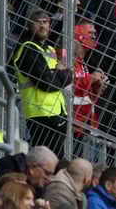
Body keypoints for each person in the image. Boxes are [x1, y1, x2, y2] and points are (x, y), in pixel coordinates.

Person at [12, 11, 71, 158]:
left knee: (54, 160)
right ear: (29, 26)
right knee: (47, 161)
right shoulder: (28, 48)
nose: (42, 26)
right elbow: (46, 83)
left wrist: (58, 74)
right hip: (41, 114)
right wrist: (60, 73)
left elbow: (67, 76)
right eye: (38, 22)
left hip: (56, 112)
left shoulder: (49, 49)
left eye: (45, 22)